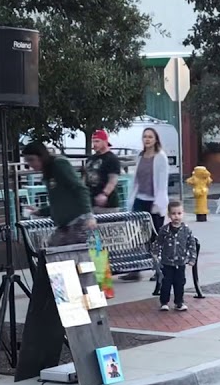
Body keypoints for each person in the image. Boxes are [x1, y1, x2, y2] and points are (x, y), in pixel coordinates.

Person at [21, 141, 94, 247]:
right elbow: (59, 201)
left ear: (41, 157)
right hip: (65, 224)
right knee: (52, 249)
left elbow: (80, 188)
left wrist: (89, 216)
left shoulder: (59, 164)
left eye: (32, 160)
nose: (30, 165)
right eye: (27, 161)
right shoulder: (49, 172)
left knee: (58, 252)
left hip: (76, 221)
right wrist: (40, 211)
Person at [126, 127, 170, 285]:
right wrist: (131, 199)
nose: (147, 139)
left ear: (156, 139)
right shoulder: (141, 156)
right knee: (136, 235)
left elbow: (162, 183)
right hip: (140, 198)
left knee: (155, 237)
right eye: (145, 137)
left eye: (150, 137)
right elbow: (136, 179)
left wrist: (159, 203)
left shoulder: (160, 157)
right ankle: (135, 269)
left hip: (155, 201)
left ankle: (159, 269)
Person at [150, 200, 198, 312]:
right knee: (166, 283)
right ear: (169, 215)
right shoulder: (164, 230)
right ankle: (164, 302)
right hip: (167, 262)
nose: (176, 216)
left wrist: (192, 258)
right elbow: (158, 242)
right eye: (173, 213)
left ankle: (179, 302)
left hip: (180, 262)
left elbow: (192, 244)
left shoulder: (186, 230)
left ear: (183, 214)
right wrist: (155, 254)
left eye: (179, 213)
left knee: (179, 283)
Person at [85, 129, 122, 214]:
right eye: (93, 141)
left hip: (107, 205)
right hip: (91, 203)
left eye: (97, 141)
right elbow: (85, 177)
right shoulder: (91, 159)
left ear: (105, 142)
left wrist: (104, 194)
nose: (94, 144)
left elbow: (113, 180)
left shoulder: (112, 159)